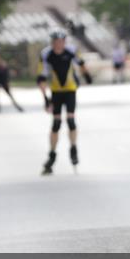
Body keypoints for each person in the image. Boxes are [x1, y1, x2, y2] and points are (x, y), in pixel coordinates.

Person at [37, 30, 92, 175]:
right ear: (52, 42)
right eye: (55, 42)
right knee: (55, 124)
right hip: (56, 92)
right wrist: (45, 99)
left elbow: (81, 63)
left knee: (71, 121)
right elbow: (41, 78)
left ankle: (73, 148)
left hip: (70, 90)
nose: (58, 45)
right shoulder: (46, 54)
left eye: (61, 42)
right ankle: (52, 155)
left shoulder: (71, 51)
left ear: (65, 42)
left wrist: (87, 75)